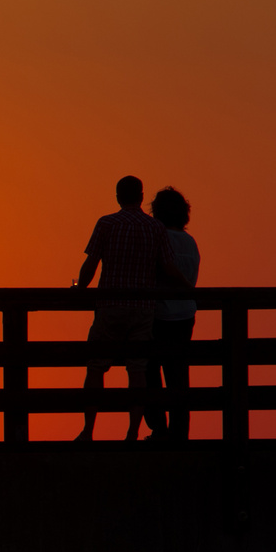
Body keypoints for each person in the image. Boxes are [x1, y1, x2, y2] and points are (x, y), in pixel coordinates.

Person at [73, 175, 191, 442]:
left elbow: (91, 264)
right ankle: (132, 432)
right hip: (142, 310)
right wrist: (188, 288)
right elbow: (169, 268)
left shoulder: (106, 223)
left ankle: (88, 430)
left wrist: (79, 290)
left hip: (110, 305)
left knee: (96, 368)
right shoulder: (155, 228)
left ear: (117, 197)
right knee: (137, 371)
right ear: (140, 197)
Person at [150, 187, 199, 441]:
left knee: (150, 372)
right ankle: (180, 433)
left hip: (160, 314)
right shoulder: (190, 242)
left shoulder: (159, 238)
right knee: (179, 374)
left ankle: (159, 428)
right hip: (186, 314)